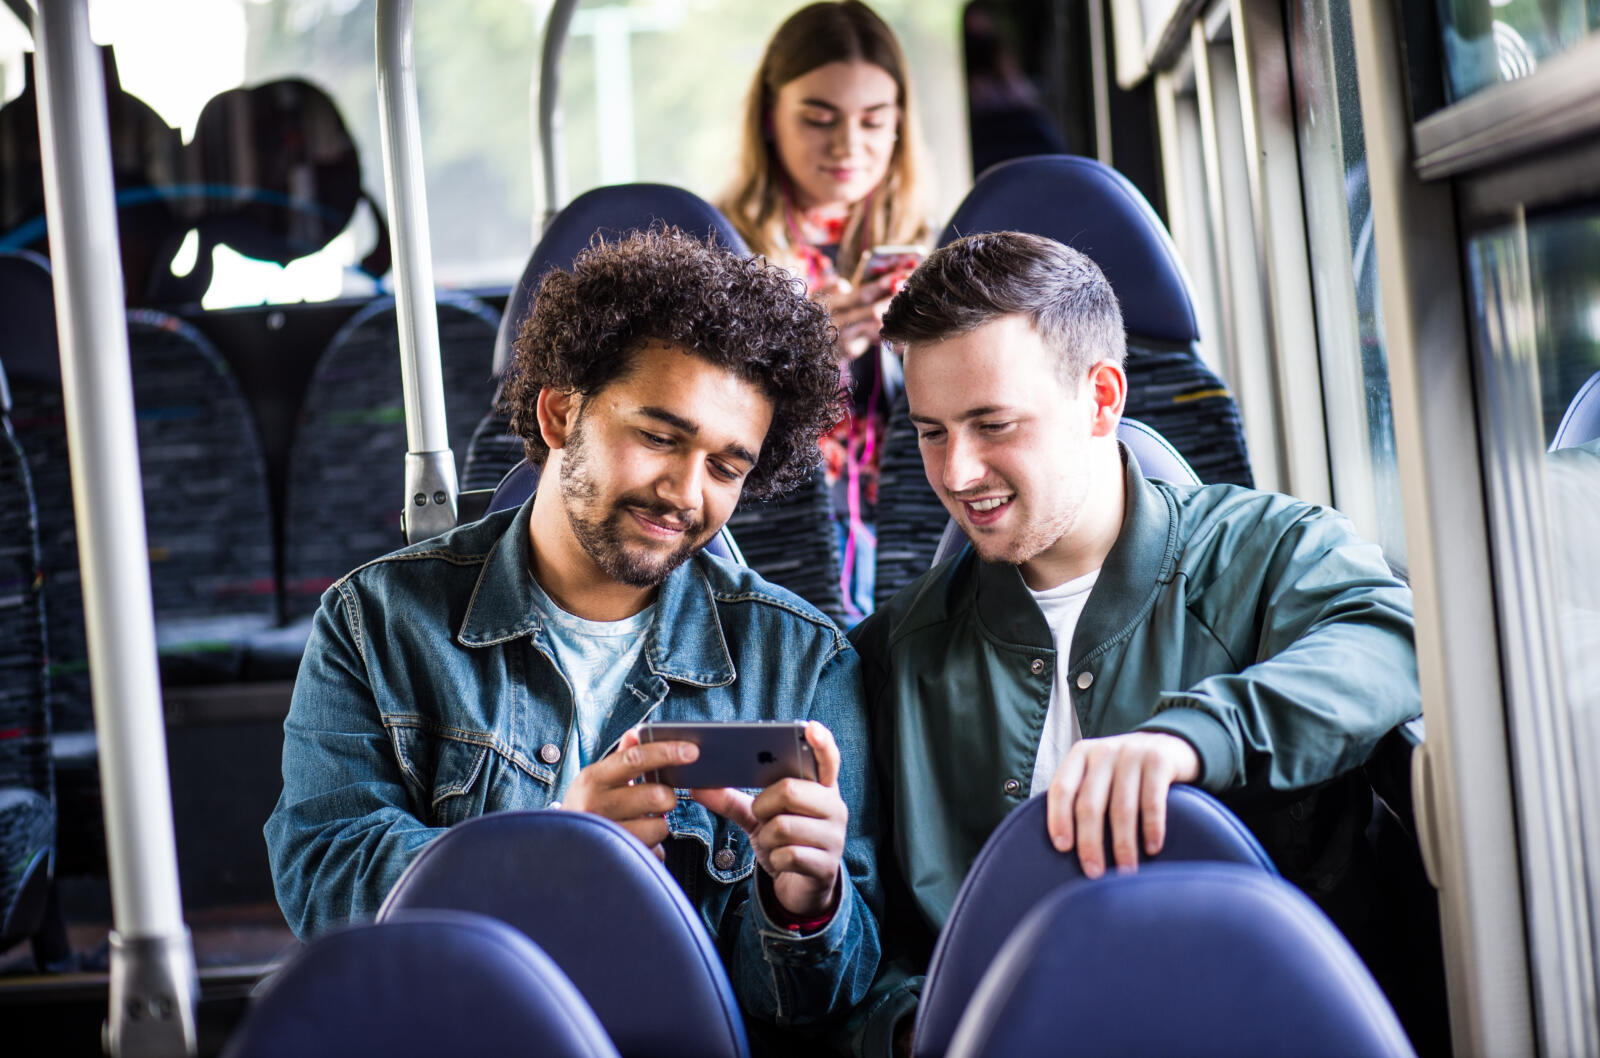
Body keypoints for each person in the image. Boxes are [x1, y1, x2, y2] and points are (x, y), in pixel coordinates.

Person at [265, 229, 881, 1038]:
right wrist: (548, 851)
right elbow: (325, 876)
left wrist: (806, 904)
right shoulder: (376, 624)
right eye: (660, 437)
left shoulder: (802, 661)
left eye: (727, 467)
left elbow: (820, 1002)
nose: (685, 493)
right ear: (560, 413)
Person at [848, 232, 1423, 1053]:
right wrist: (918, 1028)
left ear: (1101, 399)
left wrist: (1194, 737)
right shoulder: (888, 656)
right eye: (932, 432)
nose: (958, 472)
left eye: (993, 423)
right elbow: (859, 956)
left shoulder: (1269, 553)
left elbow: (1389, 638)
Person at [720, 0, 929, 621]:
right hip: (767, 542)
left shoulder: (931, 248)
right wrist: (809, 351)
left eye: (873, 121)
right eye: (818, 117)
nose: (848, 145)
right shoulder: (720, 250)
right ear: (768, 119)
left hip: (908, 534)